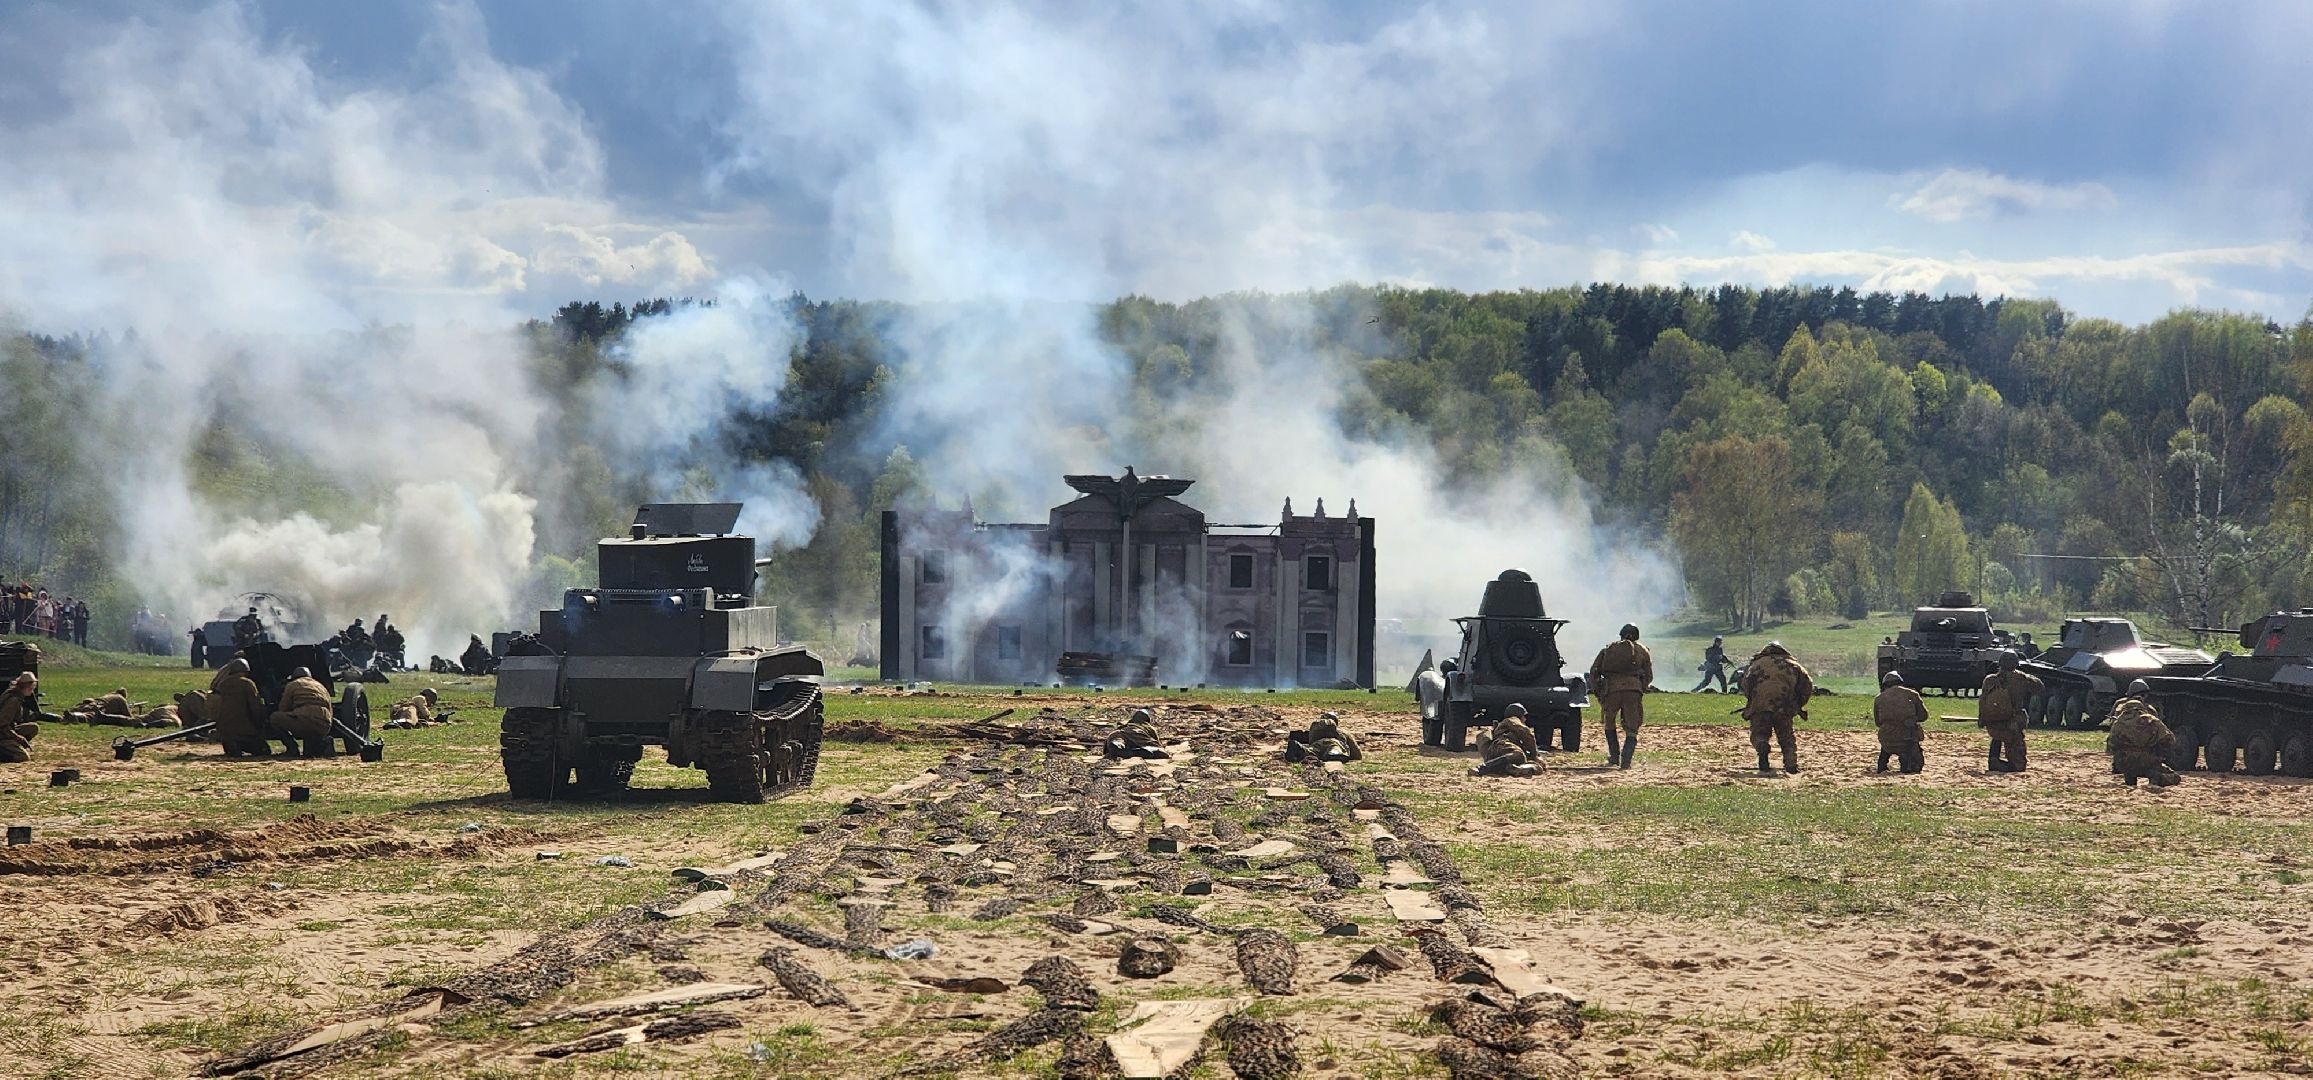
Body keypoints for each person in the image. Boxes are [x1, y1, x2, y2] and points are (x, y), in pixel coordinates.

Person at [1739, 641, 1812, 774]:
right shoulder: (1794, 665)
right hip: (1784, 705)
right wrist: (1798, 703)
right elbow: (1807, 686)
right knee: (1786, 736)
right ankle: (1791, 764)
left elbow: (1745, 684)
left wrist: (1753, 700)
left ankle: (1762, 746)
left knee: (1759, 733)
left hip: (1760, 705)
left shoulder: (1757, 664)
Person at [1590, 624, 1653, 768]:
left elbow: (1594, 672)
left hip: (1611, 690)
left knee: (1609, 722)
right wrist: (1640, 688)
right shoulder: (1643, 650)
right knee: (1632, 727)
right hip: (1633, 691)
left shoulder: (1608, 650)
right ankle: (1626, 762)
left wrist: (1599, 691)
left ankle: (1614, 757)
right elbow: (1649, 675)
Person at [2107, 681, 2181, 787]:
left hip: (2122, 761)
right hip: (2146, 759)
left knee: (2128, 761)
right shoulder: (2149, 712)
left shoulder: (2119, 710)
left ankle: (2129, 776)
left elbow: (2111, 742)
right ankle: (2153, 774)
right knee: (2171, 776)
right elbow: (2167, 737)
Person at [1978, 652, 2043, 773]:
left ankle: (1993, 761)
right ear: (2015, 664)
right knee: (2018, 763)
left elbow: (1983, 700)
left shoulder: (1990, 680)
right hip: (2013, 722)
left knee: (1996, 737)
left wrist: (1981, 718)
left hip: (1994, 720)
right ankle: (2008, 765)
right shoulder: (2021, 678)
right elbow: (2039, 687)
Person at [208, 657, 271, 756]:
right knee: (264, 750)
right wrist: (262, 720)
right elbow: (255, 708)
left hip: (224, 731)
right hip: (245, 731)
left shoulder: (223, 684)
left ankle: (233, 745)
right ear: (246, 670)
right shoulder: (247, 684)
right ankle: (240, 743)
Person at [1871, 670, 1927, 774]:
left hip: (1886, 738)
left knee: (1885, 750)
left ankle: (1882, 765)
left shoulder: (1879, 698)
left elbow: (1878, 722)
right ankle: (1907, 765)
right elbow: (1924, 716)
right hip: (1907, 738)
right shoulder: (1912, 694)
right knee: (1913, 760)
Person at [270, 666, 336, 748]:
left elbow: (283, 707)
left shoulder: (293, 684)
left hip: (303, 720)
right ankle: (323, 744)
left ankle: (292, 748)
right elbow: (330, 709)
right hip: (324, 724)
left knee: (275, 718)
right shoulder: (321, 686)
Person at [1473, 707, 1539, 777]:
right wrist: (1535, 755)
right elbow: (1526, 733)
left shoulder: (1505, 725)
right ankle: (1481, 768)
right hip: (1502, 746)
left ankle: (1515, 770)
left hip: (1497, 754)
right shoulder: (1512, 719)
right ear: (1518, 715)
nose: (1525, 719)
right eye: (1524, 716)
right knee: (1518, 755)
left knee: (1530, 763)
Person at [1284, 710, 1362, 763]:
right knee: (1335, 751)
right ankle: (1332, 753)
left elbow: (1307, 738)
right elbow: (1357, 753)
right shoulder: (1343, 732)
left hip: (1317, 744)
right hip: (1334, 744)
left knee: (1311, 751)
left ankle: (1301, 749)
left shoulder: (1316, 729)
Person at [0, 672, 45, 762]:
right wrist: (18, 737)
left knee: (33, 728)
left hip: (8, 730)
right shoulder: (13, 701)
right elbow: (3, 724)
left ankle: (12, 745)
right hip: (2, 733)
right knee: (22, 757)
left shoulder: (13, 694)